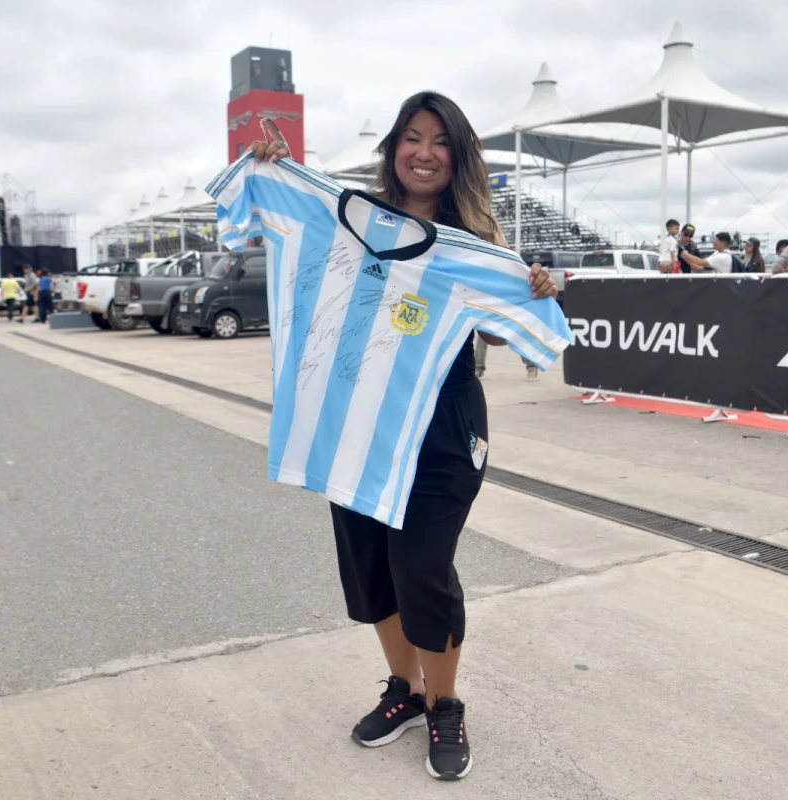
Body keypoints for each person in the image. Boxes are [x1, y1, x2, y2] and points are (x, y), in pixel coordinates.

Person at [251, 90, 557, 782]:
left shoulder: (476, 244)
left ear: (458, 156)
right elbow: (261, 220)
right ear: (392, 148)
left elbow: (537, 340)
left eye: (439, 141)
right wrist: (274, 169)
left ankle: (446, 701)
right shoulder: (346, 216)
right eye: (411, 138)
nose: (423, 152)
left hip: (443, 425)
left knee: (421, 567)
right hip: (355, 416)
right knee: (371, 568)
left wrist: (535, 289)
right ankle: (407, 692)